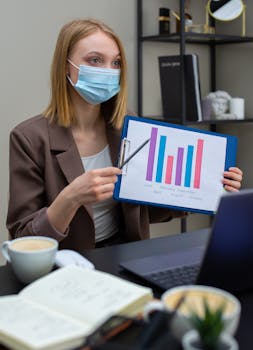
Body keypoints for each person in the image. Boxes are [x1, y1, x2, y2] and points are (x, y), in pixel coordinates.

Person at [6, 19, 243, 251]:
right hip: (64, 265)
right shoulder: (28, 138)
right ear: (65, 66)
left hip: (123, 254)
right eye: (95, 60)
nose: (108, 71)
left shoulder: (128, 126)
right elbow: (22, 238)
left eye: (116, 63)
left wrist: (208, 188)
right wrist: (71, 197)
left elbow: (144, 209)